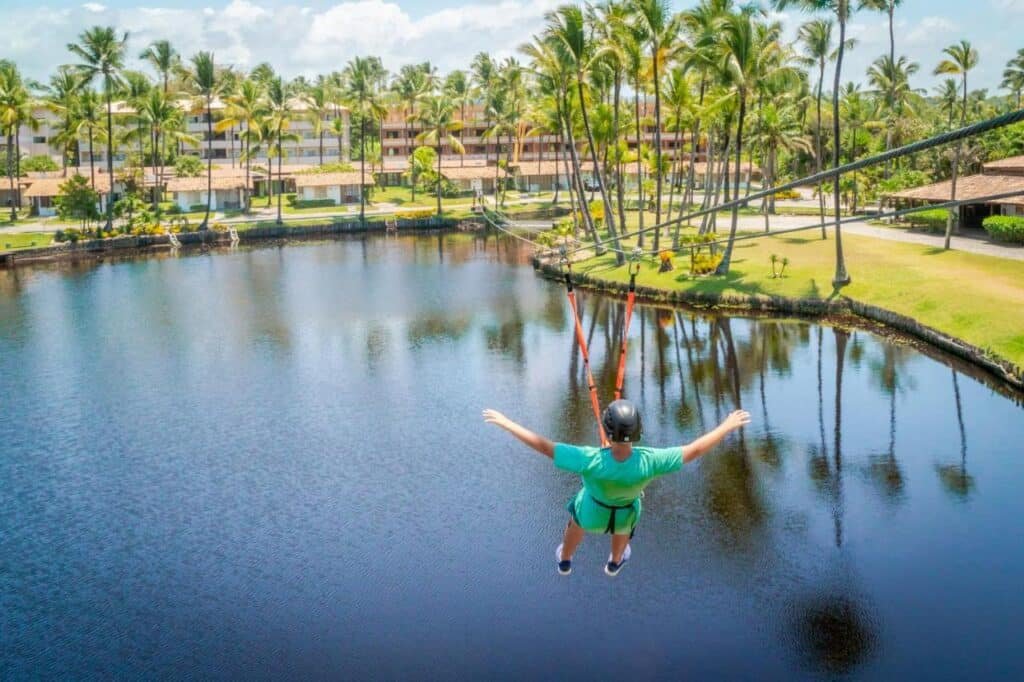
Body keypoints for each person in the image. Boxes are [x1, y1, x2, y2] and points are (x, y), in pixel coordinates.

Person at [482, 400, 751, 577]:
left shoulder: (591, 459)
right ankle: (615, 561)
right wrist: (726, 426)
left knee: (576, 517)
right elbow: (695, 450)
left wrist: (507, 423)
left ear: (607, 433)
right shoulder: (651, 461)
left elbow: (543, 446)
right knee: (627, 520)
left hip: (591, 513)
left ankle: (565, 558)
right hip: (624, 515)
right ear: (638, 432)